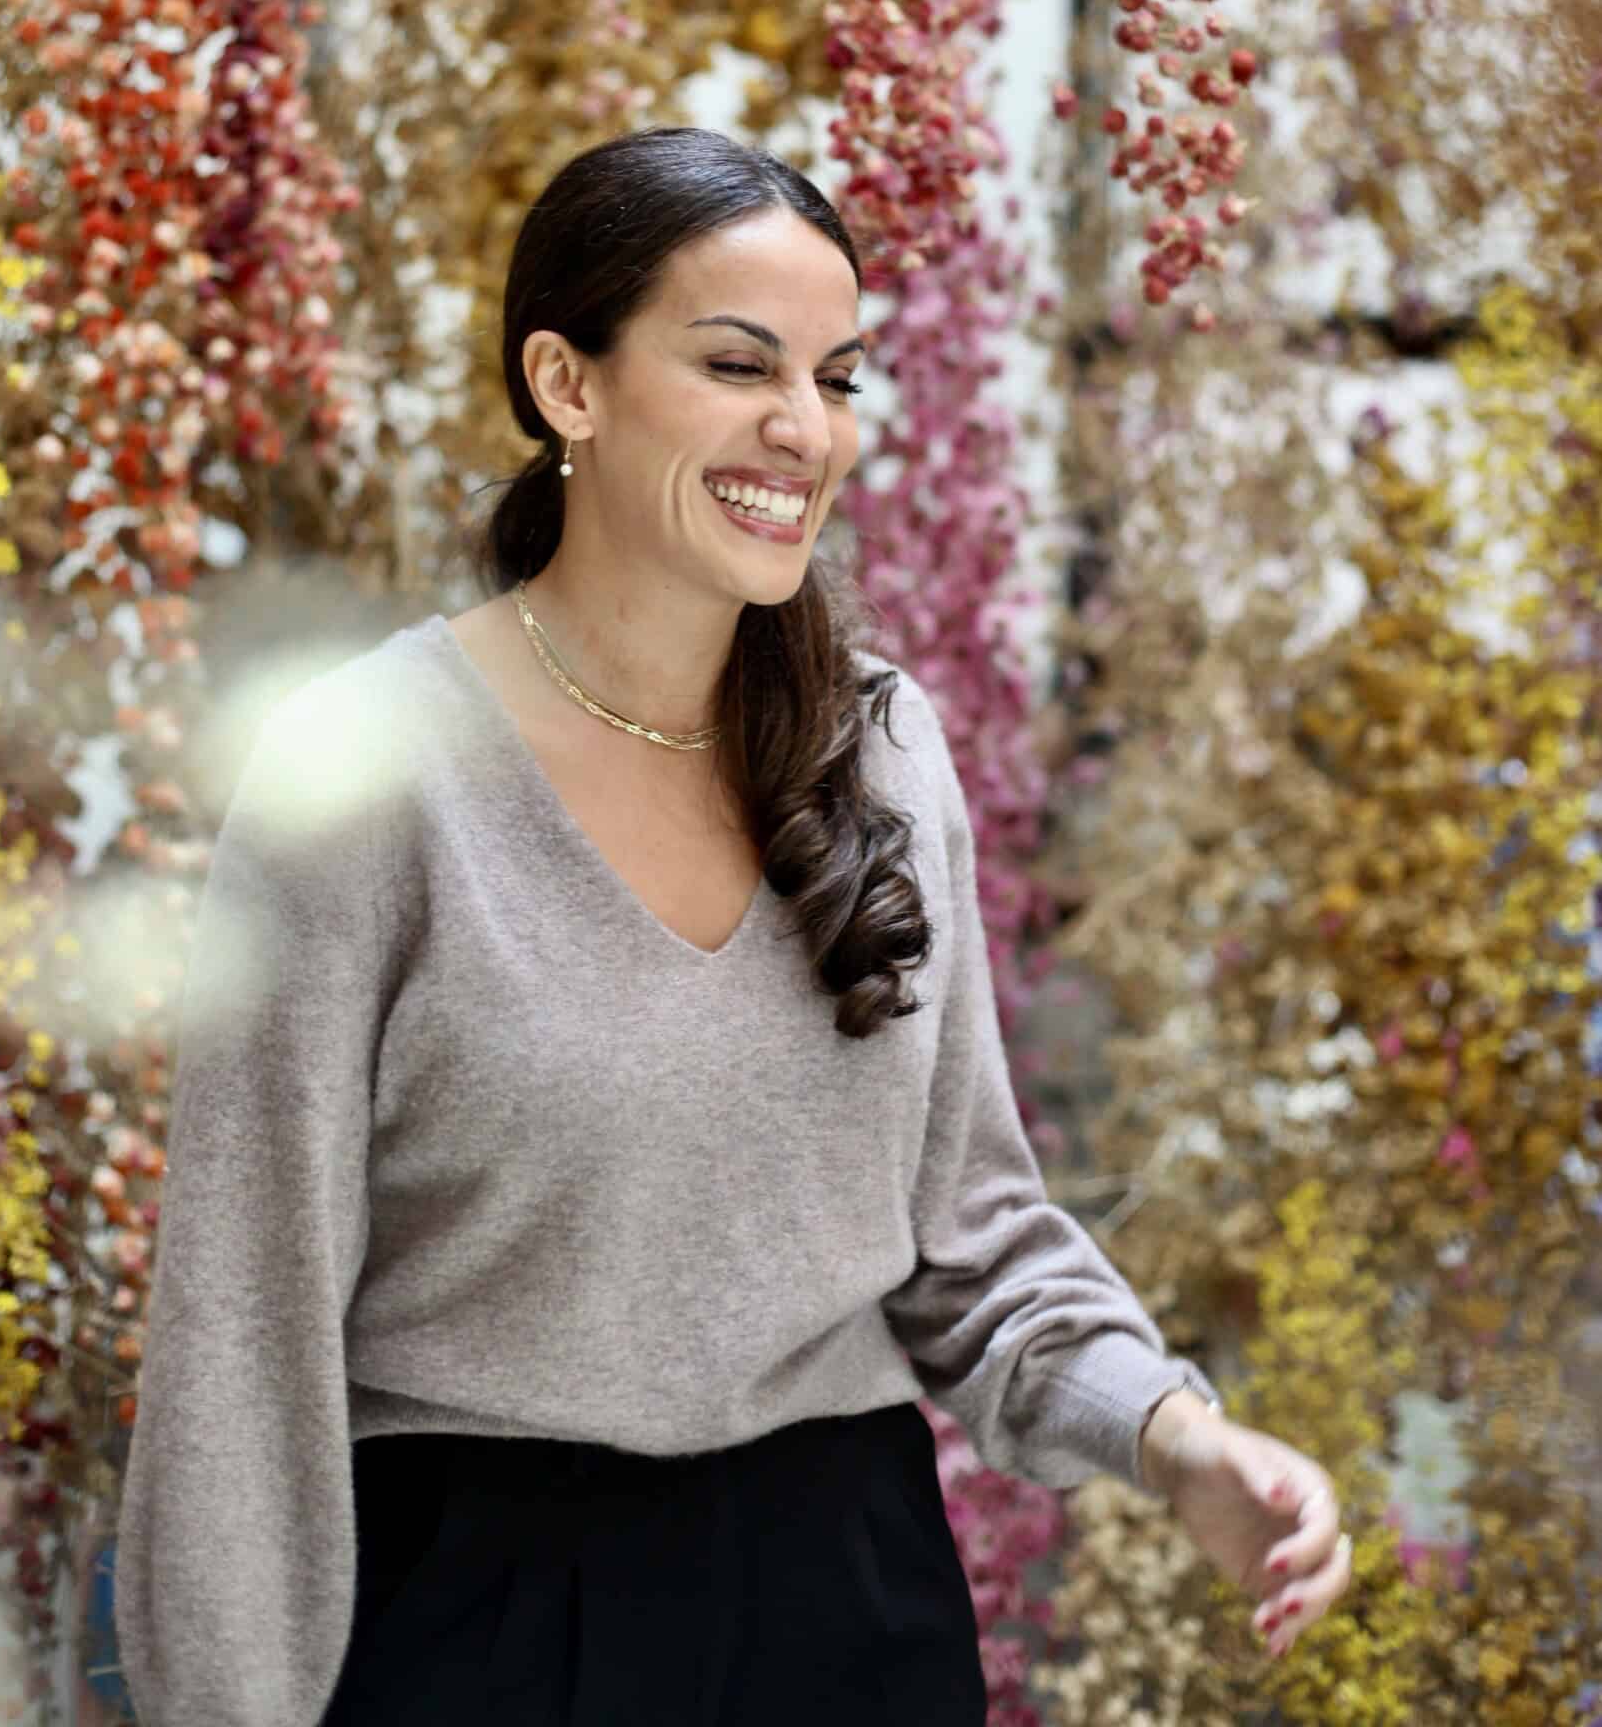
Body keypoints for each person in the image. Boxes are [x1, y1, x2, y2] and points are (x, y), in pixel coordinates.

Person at [112, 125, 1352, 1727]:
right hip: (480, 1623)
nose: (804, 430)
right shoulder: (363, 776)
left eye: (838, 378)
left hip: (851, 1607)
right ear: (566, 383)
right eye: (738, 364)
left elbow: (968, 1235)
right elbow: (243, 1334)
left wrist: (1175, 1439)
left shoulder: (881, 750)